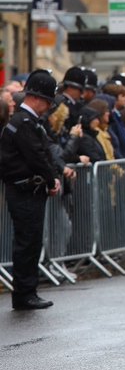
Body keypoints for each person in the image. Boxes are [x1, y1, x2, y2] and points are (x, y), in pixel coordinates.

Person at [0, 70, 71, 310]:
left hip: (27, 190)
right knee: (28, 242)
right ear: (37, 98)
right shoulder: (24, 123)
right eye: (49, 102)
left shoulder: (26, 122)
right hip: (24, 191)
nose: (50, 107)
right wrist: (51, 181)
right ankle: (24, 293)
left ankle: (27, 291)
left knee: (31, 241)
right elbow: (37, 158)